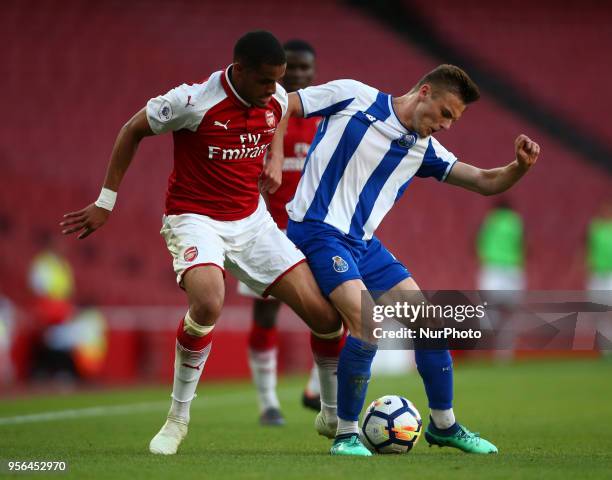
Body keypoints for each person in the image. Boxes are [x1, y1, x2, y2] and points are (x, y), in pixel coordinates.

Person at [60, 31, 345, 455]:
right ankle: (177, 420)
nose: (276, 91)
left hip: (252, 221)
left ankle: (331, 412)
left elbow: (282, 114)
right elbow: (131, 129)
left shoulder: (277, 100)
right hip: (194, 219)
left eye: (279, 81)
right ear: (241, 70)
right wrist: (106, 202)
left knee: (327, 316)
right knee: (210, 301)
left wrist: (273, 151)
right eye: (267, 81)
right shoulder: (192, 101)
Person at [274, 64, 540, 455]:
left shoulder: (423, 148)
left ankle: (443, 425)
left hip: (362, 244)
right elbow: (285, 104)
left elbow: (485, 181)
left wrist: (519, 167)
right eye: (446, 113)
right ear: (424, 93)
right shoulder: (353, 95)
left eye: (454, 120)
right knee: (366, 324)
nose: (447, 125)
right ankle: (346, 433)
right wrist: (272, 156)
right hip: (316, 230)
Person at [236, 39, 322, 425]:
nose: (301, 75)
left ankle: (317, 388)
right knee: (266, 314)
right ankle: (267, 402)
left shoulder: (325, 118)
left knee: (333, 308)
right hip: (266, 230)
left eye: (307, 68)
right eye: (295, 69)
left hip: (312, 231)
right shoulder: (264, 114)